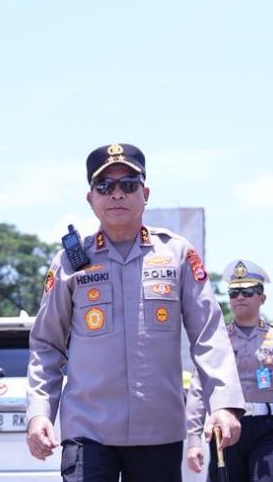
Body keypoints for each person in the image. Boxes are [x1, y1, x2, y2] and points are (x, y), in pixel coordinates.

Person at [26, 143, 245, 482]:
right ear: (90, 198)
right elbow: (47, 344)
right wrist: (40, 413)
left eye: (128, 184)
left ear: (145, 193)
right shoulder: (71, 261)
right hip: (88, 430)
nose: (117, 194)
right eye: (105, 186)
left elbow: (209, 335)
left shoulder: (177, 254)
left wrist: (224, 405)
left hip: (158, 431)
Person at [185, 259, 273, 482]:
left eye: (248, 291)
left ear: (262, 298)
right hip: (226, 428)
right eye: (234, 293)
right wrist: (194, 440)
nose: (240, 297)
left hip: (268, 429)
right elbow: (197, 389)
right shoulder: (215, 339)